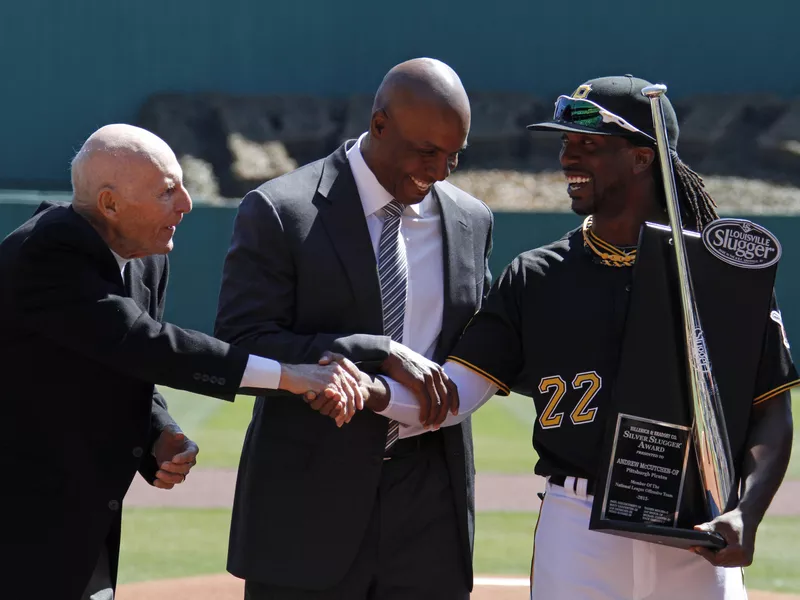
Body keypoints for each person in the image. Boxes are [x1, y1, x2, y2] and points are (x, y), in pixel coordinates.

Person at [378, 76, 796, 599]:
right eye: (566, 142)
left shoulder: (721, 277)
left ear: (643, 158)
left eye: (589, 144)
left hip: (696, 531)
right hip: (577, 532)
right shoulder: (537, 275)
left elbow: (771, 414)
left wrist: (746, 513)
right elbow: (456, 393)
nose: (568, 158)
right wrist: (365, 385)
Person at [0, 124, 366, 600]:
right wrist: (290, 376)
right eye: (167, 191)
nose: (187, 204)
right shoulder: (46, 252)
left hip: (75, 529)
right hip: (19, 525)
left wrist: (157, 432)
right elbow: (145, 342)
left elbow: (120, 359)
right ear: (109, 204)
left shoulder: (147, 254)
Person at [214, 58, 493, 599]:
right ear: (380, 124)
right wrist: (377, 352)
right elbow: (241, 345)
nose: (439, 170)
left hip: (430, 508)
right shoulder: (280, 210)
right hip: (308, 509)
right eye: (426, 151)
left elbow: (479, 347)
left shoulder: (471, 219)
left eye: (454, 155)